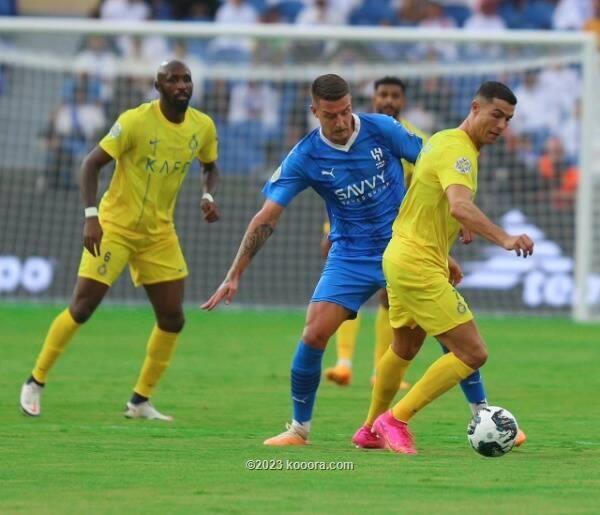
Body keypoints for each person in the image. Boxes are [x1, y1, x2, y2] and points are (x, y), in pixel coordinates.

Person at [202, 73, 423, 445]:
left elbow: (435, 169)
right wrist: (233, 274)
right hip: (350, 255)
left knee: (447, 330)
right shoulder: (305, 156)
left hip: (402, 247)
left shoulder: (383, 129)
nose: (341, 122)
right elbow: (266, 218)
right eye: (330, 115)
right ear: (314, 112)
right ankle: (299, 429)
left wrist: (449, 224)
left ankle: (483, 413)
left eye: (346, 112)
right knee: (314, 332)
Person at [20, 60, 220, 421]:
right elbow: (90, 164)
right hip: (114, 227)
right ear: (157, 86)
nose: (181, 85)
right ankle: (35, 381)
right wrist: (91, 216)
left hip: (159, 233)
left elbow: (210, 165)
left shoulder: (202, 126)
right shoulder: (134, 121)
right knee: (82, 308)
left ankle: (140, 401)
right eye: (172, 79)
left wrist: (208, 196)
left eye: (186, 78)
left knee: (173, 319)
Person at [357, 81, 534, 454]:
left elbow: (428, 201)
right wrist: (504, 238)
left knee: (405, 346)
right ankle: (396, 419)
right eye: (496, 114)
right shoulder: (461, 154)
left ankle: (371, 428)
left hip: (403, 254)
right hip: (417, 262)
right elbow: (457, 205)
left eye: (508, 119)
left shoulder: (441, 140)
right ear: (475, 107)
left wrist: (445, 250)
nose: (502, 125)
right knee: (472, 353)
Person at [324, 76, 427, 388]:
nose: (389, 101)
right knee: (342, 294)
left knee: (389, 299)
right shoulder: (352, 134)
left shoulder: (414, 138)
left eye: (395, 95)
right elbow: (334, 181)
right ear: (374, 97)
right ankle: (343, 362)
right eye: (383, 94)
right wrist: (329, 228)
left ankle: (381, 371)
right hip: (352, 228)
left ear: (403, 100)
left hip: (397, 232)